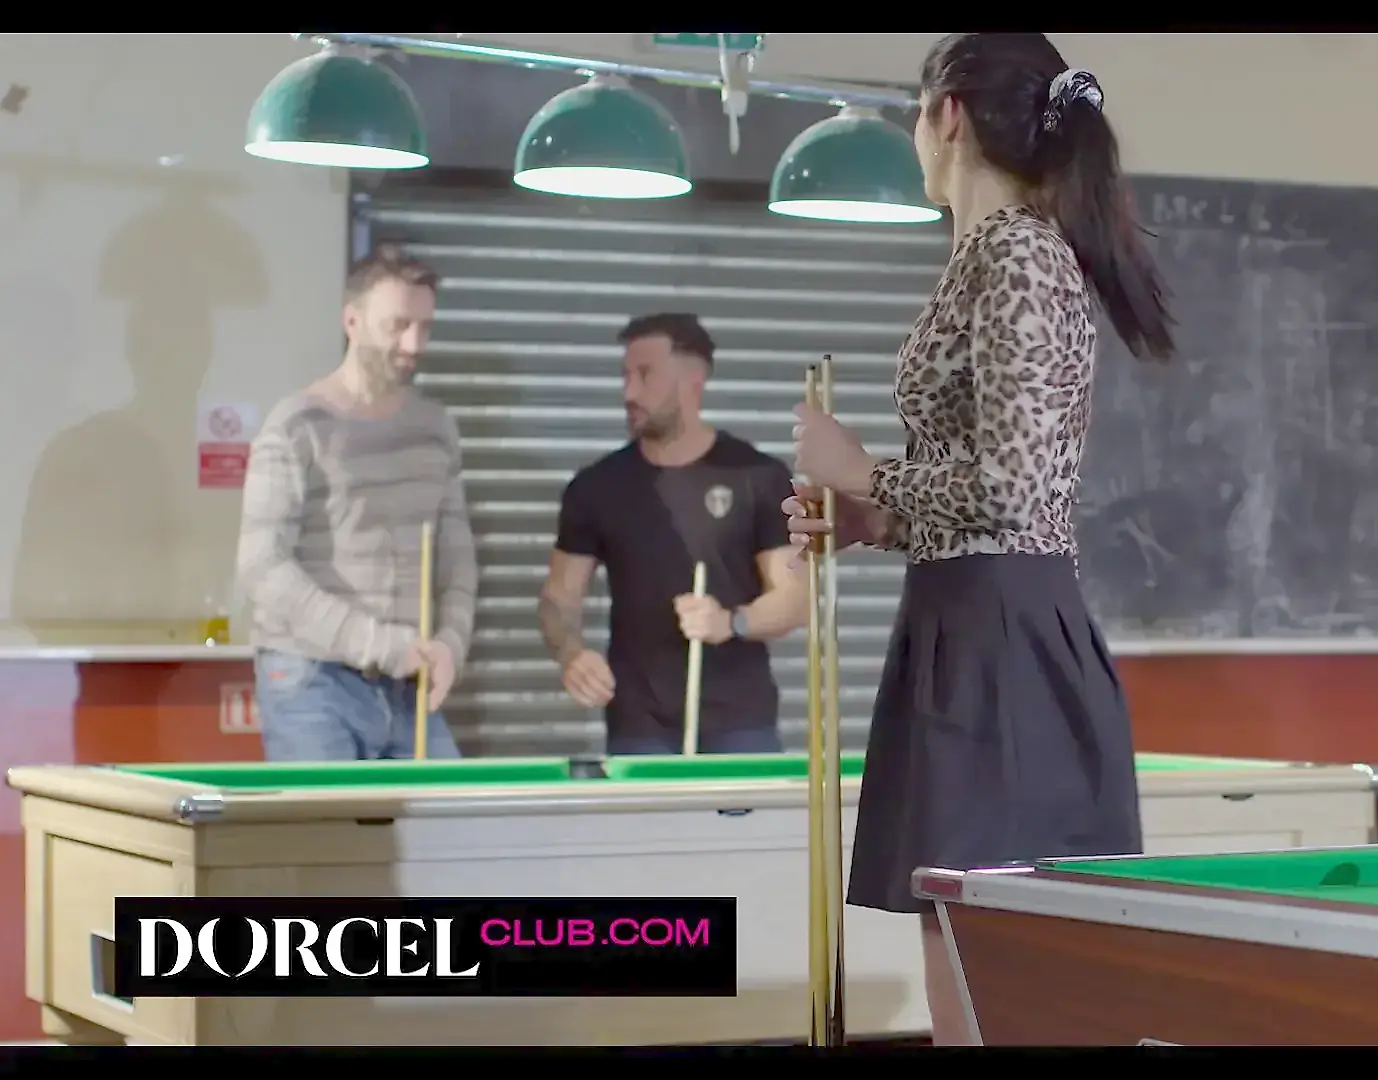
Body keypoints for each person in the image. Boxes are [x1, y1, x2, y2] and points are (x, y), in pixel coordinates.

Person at [785, 34, 1177, 1045]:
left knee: (984, 968)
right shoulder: (992, 251)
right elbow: (992, 480)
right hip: (967, 621)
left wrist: (862, 473)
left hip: (1004, 640)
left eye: (915, 116)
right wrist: (873, 521)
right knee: (957, 949)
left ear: (947, 113)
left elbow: (1012, 491)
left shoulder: (1017, 252)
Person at [236, 245, 477, 761]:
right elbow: (260, 567)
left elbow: (458, 558)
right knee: (334, 820)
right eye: (398, 325)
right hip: (311, 679)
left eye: (425, 327)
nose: (414, 344)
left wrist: (451, 644)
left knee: (451, 814)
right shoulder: (296, 425)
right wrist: (382, 645)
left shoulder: (436, 428)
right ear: (352, 321)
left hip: (409, 682)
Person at [539, 313, 805, 755]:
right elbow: (558, 599)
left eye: (645, 375)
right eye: (625, 376)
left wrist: (731, 622)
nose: (629, 393)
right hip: (638, 727)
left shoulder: (758, 476)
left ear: (693, 380)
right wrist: (571, 652)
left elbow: (795, 599)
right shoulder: (597, 487)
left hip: (740, 724)